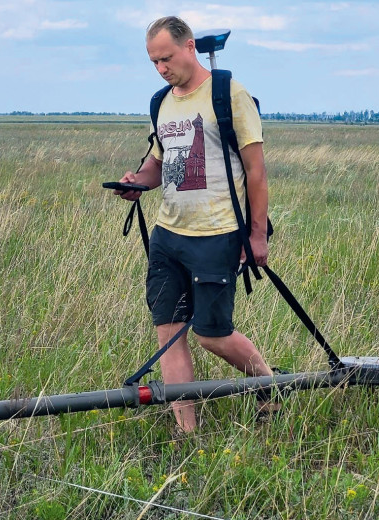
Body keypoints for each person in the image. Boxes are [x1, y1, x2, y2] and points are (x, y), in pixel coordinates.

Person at [116, 16, 276, 432]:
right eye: (154, 62)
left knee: (212, 334)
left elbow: (256, 172)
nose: (161, 68)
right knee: (168, 332)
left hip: (217, 234)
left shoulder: (229, 95)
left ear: (189, 47)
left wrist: (256, 234)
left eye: (166, 58)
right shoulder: (161, 102)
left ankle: (269, 386)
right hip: (168, 236)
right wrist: (137, 183)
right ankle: (187, 434)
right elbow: (159, 163)